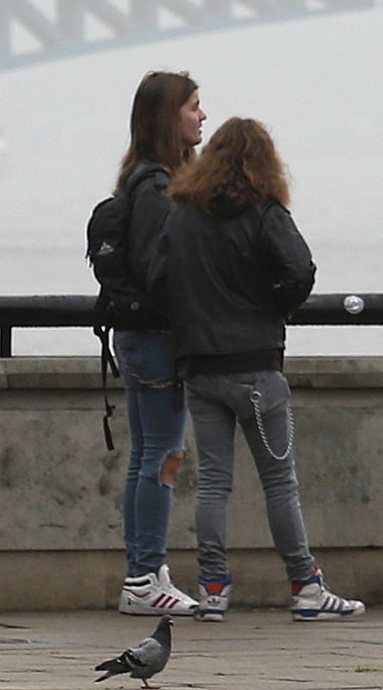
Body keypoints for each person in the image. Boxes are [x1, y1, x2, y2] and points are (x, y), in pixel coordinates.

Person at [164, 117, 366, 623]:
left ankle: (212, 589)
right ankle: (305, 586)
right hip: (256, 367)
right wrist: (272, 305)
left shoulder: (183, 214)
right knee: (279, 481)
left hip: (201, 368)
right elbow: (299, 271)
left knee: (213, 483)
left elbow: (162, 275)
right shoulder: (264, 212)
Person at [110, 72, 205, 619]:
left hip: (142, 339)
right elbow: (158, 270)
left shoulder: (140, 180)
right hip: (158, 340)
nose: (202, 116)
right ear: (169, 117)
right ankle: (145, 576)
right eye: (193, 107)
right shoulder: (158, 187)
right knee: (163, 457)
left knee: (148, 456)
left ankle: (145, 571)